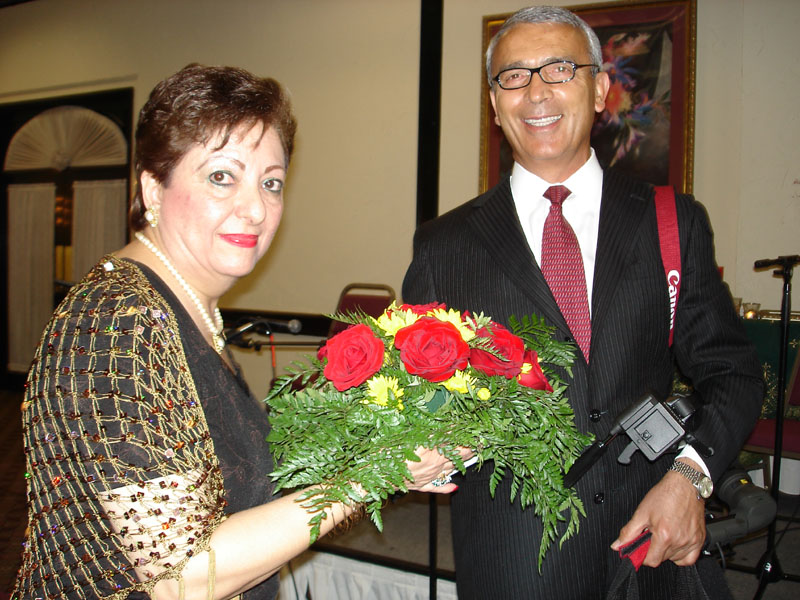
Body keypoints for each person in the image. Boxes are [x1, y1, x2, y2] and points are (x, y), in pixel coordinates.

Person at [13, 63, 465, 600]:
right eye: (221, 176)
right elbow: (181, 578)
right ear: (153, 187)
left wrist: (392, 447)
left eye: (270, 183)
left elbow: (230, 490)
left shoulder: (188, 310)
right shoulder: (116, 323)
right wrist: (371, 475)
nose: (255, 208)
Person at [403, 6, 763, 599]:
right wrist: (416, 444)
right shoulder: (444, 245)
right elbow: (419, 398)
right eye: (513, 76)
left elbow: (733, 373)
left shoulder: (670, 222)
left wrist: (690, 477)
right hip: (515, 559)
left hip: (650, 543)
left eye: (559, 69)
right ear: (494, 103)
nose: (535, 91)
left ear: (599, 89)